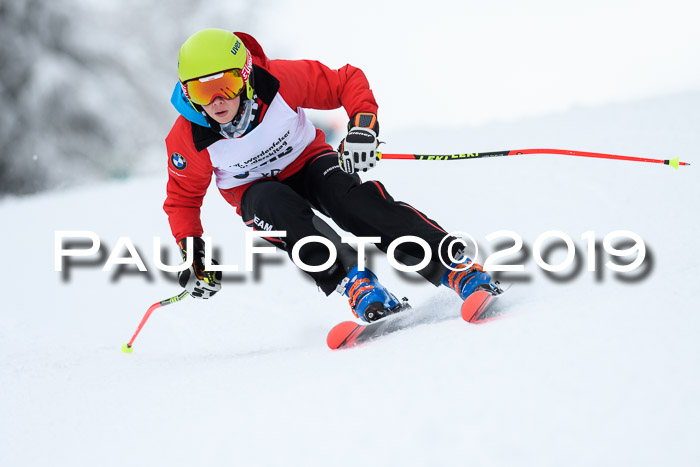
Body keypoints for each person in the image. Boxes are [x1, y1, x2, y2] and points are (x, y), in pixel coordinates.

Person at [165, 28, 497, 322]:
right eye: (201, 91)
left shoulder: (280, 80)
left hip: (308, 161)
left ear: (246, 74)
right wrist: (193, 257)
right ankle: (356, 283)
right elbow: (183, 201)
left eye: (226, 84)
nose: (217, 101)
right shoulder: (187, 138)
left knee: (350, 202)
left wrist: (362, 129)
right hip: (256, 192)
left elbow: (346, 81)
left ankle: (455, 267)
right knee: (276, 206)